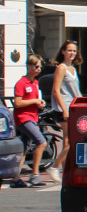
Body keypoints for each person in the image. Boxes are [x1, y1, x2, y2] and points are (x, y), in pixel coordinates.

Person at [12, 55, 48, 188]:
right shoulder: (21, 83)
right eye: (36, 66)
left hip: (32, 117)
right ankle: (35, 174)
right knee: (41, 142)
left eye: (40, 67)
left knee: (24, 149)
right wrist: (34, 101)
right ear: (29, 66)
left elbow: (35, 100)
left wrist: (40, 104)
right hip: (24, 118)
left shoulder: (35, 83)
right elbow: (17, 103)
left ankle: (16, 178)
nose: (38, 69)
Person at [50, 39, 83, 182]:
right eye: (69, 50)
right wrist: (64, 110)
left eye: (74, 51)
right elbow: (56, 90)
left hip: (73, 107)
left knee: (67, 141)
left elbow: (76, 91)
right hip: (64, 108)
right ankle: (54, 167)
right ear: (63, 51)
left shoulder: (73, 69)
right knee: (70, 141)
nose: (72, 53)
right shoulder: (61, 68)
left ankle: (64, 172)